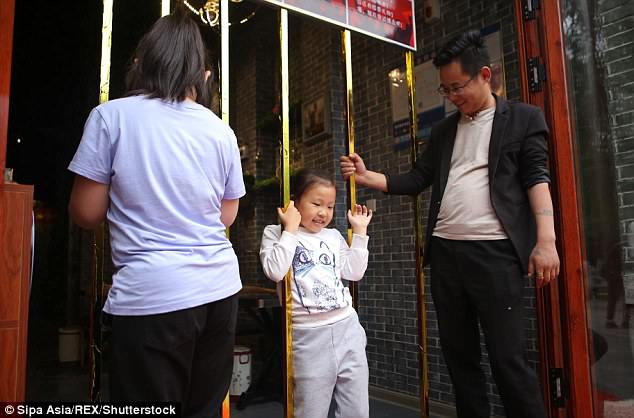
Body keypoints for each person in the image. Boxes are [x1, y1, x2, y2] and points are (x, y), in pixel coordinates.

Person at [340, 30, 560, 418]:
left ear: (485, 75)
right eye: (446, 89)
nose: (453, 96)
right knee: (459, 357)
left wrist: (546, 241)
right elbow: (418, 179)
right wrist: (369, 176)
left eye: (458, 87)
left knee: (508, 358)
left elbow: (536, 180)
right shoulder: (444, 130)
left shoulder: (523, 119)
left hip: (496, 254)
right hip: (445, 254)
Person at [67, 7, 245, 418]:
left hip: (152, 296)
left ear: (142, 62)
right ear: (201, 73)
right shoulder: (220, 130)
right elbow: (226, 216)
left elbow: (86, 213)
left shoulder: (111, 117)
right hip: (219, 291)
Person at [259, 168, 373, 418]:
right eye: (316, 204)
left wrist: (360, 233)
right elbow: (275, 271)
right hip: (308, 336)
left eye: (330, 206)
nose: (324, 212)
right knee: (310, 410)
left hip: (347, 328)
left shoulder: (333, 236)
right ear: (295, 201)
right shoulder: (275, 233)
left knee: (357, 409)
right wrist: (289, 230)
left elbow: (354, 272)